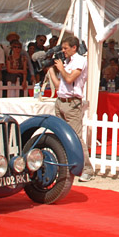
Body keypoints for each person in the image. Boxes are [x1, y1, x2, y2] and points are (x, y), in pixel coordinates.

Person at [52, 35, 94, 181]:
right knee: (60, 135)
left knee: (76, 137)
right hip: (61, 100)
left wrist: (61, 68)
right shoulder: (67, 62)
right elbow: (60, 85)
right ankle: (64, 165)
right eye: (62, 48)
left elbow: (70, 79)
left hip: (72, 103)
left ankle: (87, 169)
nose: (63, 51)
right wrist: (51, 69)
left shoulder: (80, 61)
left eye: (65, 48)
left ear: (74, 48)